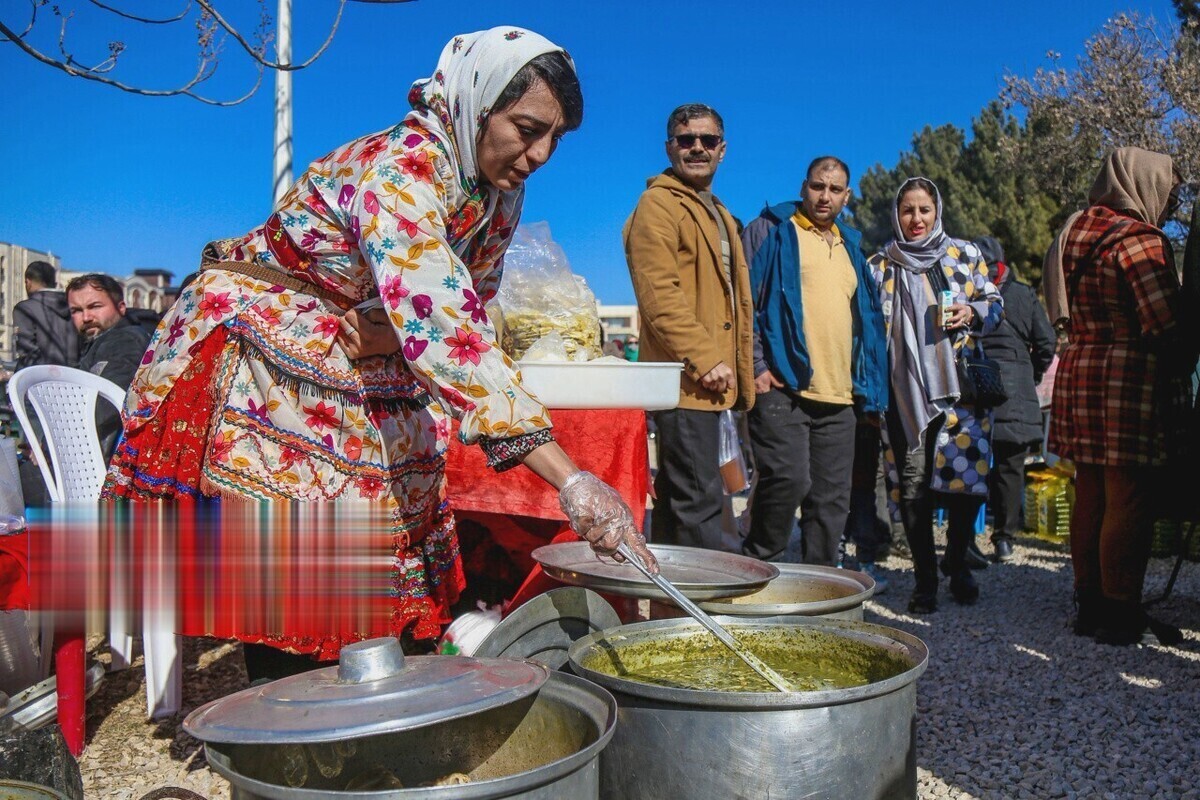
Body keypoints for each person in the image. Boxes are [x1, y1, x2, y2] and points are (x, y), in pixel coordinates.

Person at [102, 27, 657, 674]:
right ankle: (291, 704)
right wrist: (572, 478)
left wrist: (391, 330)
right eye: (528, 129)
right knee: (306, 549)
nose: (538, 155)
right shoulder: (402, 170)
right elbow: (447, 326)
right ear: (477, 104)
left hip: (359, 347)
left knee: (388, 521)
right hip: (269, 350)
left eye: (554, 139)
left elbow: (468, 299)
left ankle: (367, 689)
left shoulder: (497, 193)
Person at [1045, 147, 1194, 646]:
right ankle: (1121, 613)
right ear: (1142, 182)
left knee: (1089, 491)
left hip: (1078, 371)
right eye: (1169, 193)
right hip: (1125, 378)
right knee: (1127, 497)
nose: (1170, 205)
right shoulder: (1139, 240)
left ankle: (1088, 605)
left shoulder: (1072, 231)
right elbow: (1162, 321)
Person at [739, 156, 888, 570]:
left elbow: (866, 322)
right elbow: (743, 300)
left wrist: (869, 389)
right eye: (818, 186)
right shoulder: (771, 229)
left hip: (840, 395)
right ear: (804, 186)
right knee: (787, 481)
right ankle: (758, 569)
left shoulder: (850, 246)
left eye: (835, 189)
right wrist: (756, 365)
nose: (825, 196)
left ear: (847, 196)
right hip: (783, 386)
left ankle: (819, 587)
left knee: (831, 502)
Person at [869, 178, 1004, 614]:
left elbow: (994, 304)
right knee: (912, 486)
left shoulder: (964, 254)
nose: (916, 219)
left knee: (966, 484)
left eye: (924, 209)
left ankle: (957, 563)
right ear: (896, 214)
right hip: (903, 393)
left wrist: (972, 311)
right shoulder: (879, 265)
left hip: (961, 391)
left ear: (936, 211)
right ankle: (925, 579)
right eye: (907, 210)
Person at [624, 103, 754, 551]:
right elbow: (658, 294)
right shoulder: (658, 204)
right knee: (697, 504)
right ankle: (703, 595)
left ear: (722, 149)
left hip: (712, 383)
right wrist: (705, 357)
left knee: (688, 501)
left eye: (707, 140)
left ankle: (670, 592)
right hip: (687, 381)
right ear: (669, 148)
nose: (697, 147)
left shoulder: (717, 212)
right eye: (686, 139)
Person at [972, 237, 1055, 562]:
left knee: (971, 466)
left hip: (975, 386)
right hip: (1016, 392)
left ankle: (964, 541)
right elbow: (1046, 342)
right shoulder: (1023, 294)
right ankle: (1004, 540)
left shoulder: (967, 291)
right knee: (1009, 468)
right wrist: (1029, 373)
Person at [66, 274, 152, 459]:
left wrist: (53, 442)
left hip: (103, 460)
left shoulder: (124, 340)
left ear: (121, 307)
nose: (86, 317)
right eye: (77, 310)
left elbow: (105, 404)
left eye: (95, 306)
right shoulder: (99, 342)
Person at [13, 260, 79, 370]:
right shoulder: (74, 306)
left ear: (28, 282)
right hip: (72, 374)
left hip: (39, 374)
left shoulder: (25, 309)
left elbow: (27, 350)